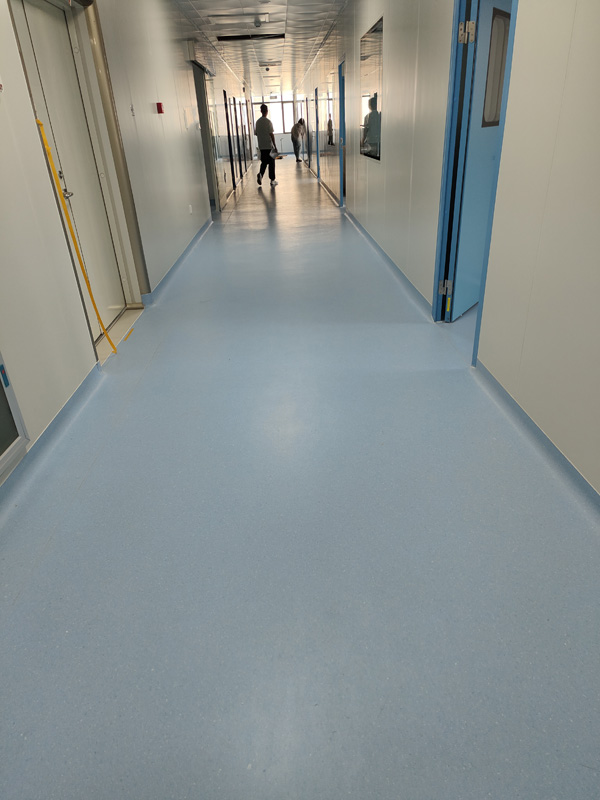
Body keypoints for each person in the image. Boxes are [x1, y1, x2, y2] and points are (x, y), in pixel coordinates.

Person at [255, 103, 278, 187]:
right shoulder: (268, 122)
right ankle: (272, 180)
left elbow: (256, 133)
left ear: (261, 111)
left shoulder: (257, 122)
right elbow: (271, 134)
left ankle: (260, 175)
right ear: (267, 111)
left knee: (264, 162)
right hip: (269, 146)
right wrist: (275, 146)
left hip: (261, 146)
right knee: (271, 163)